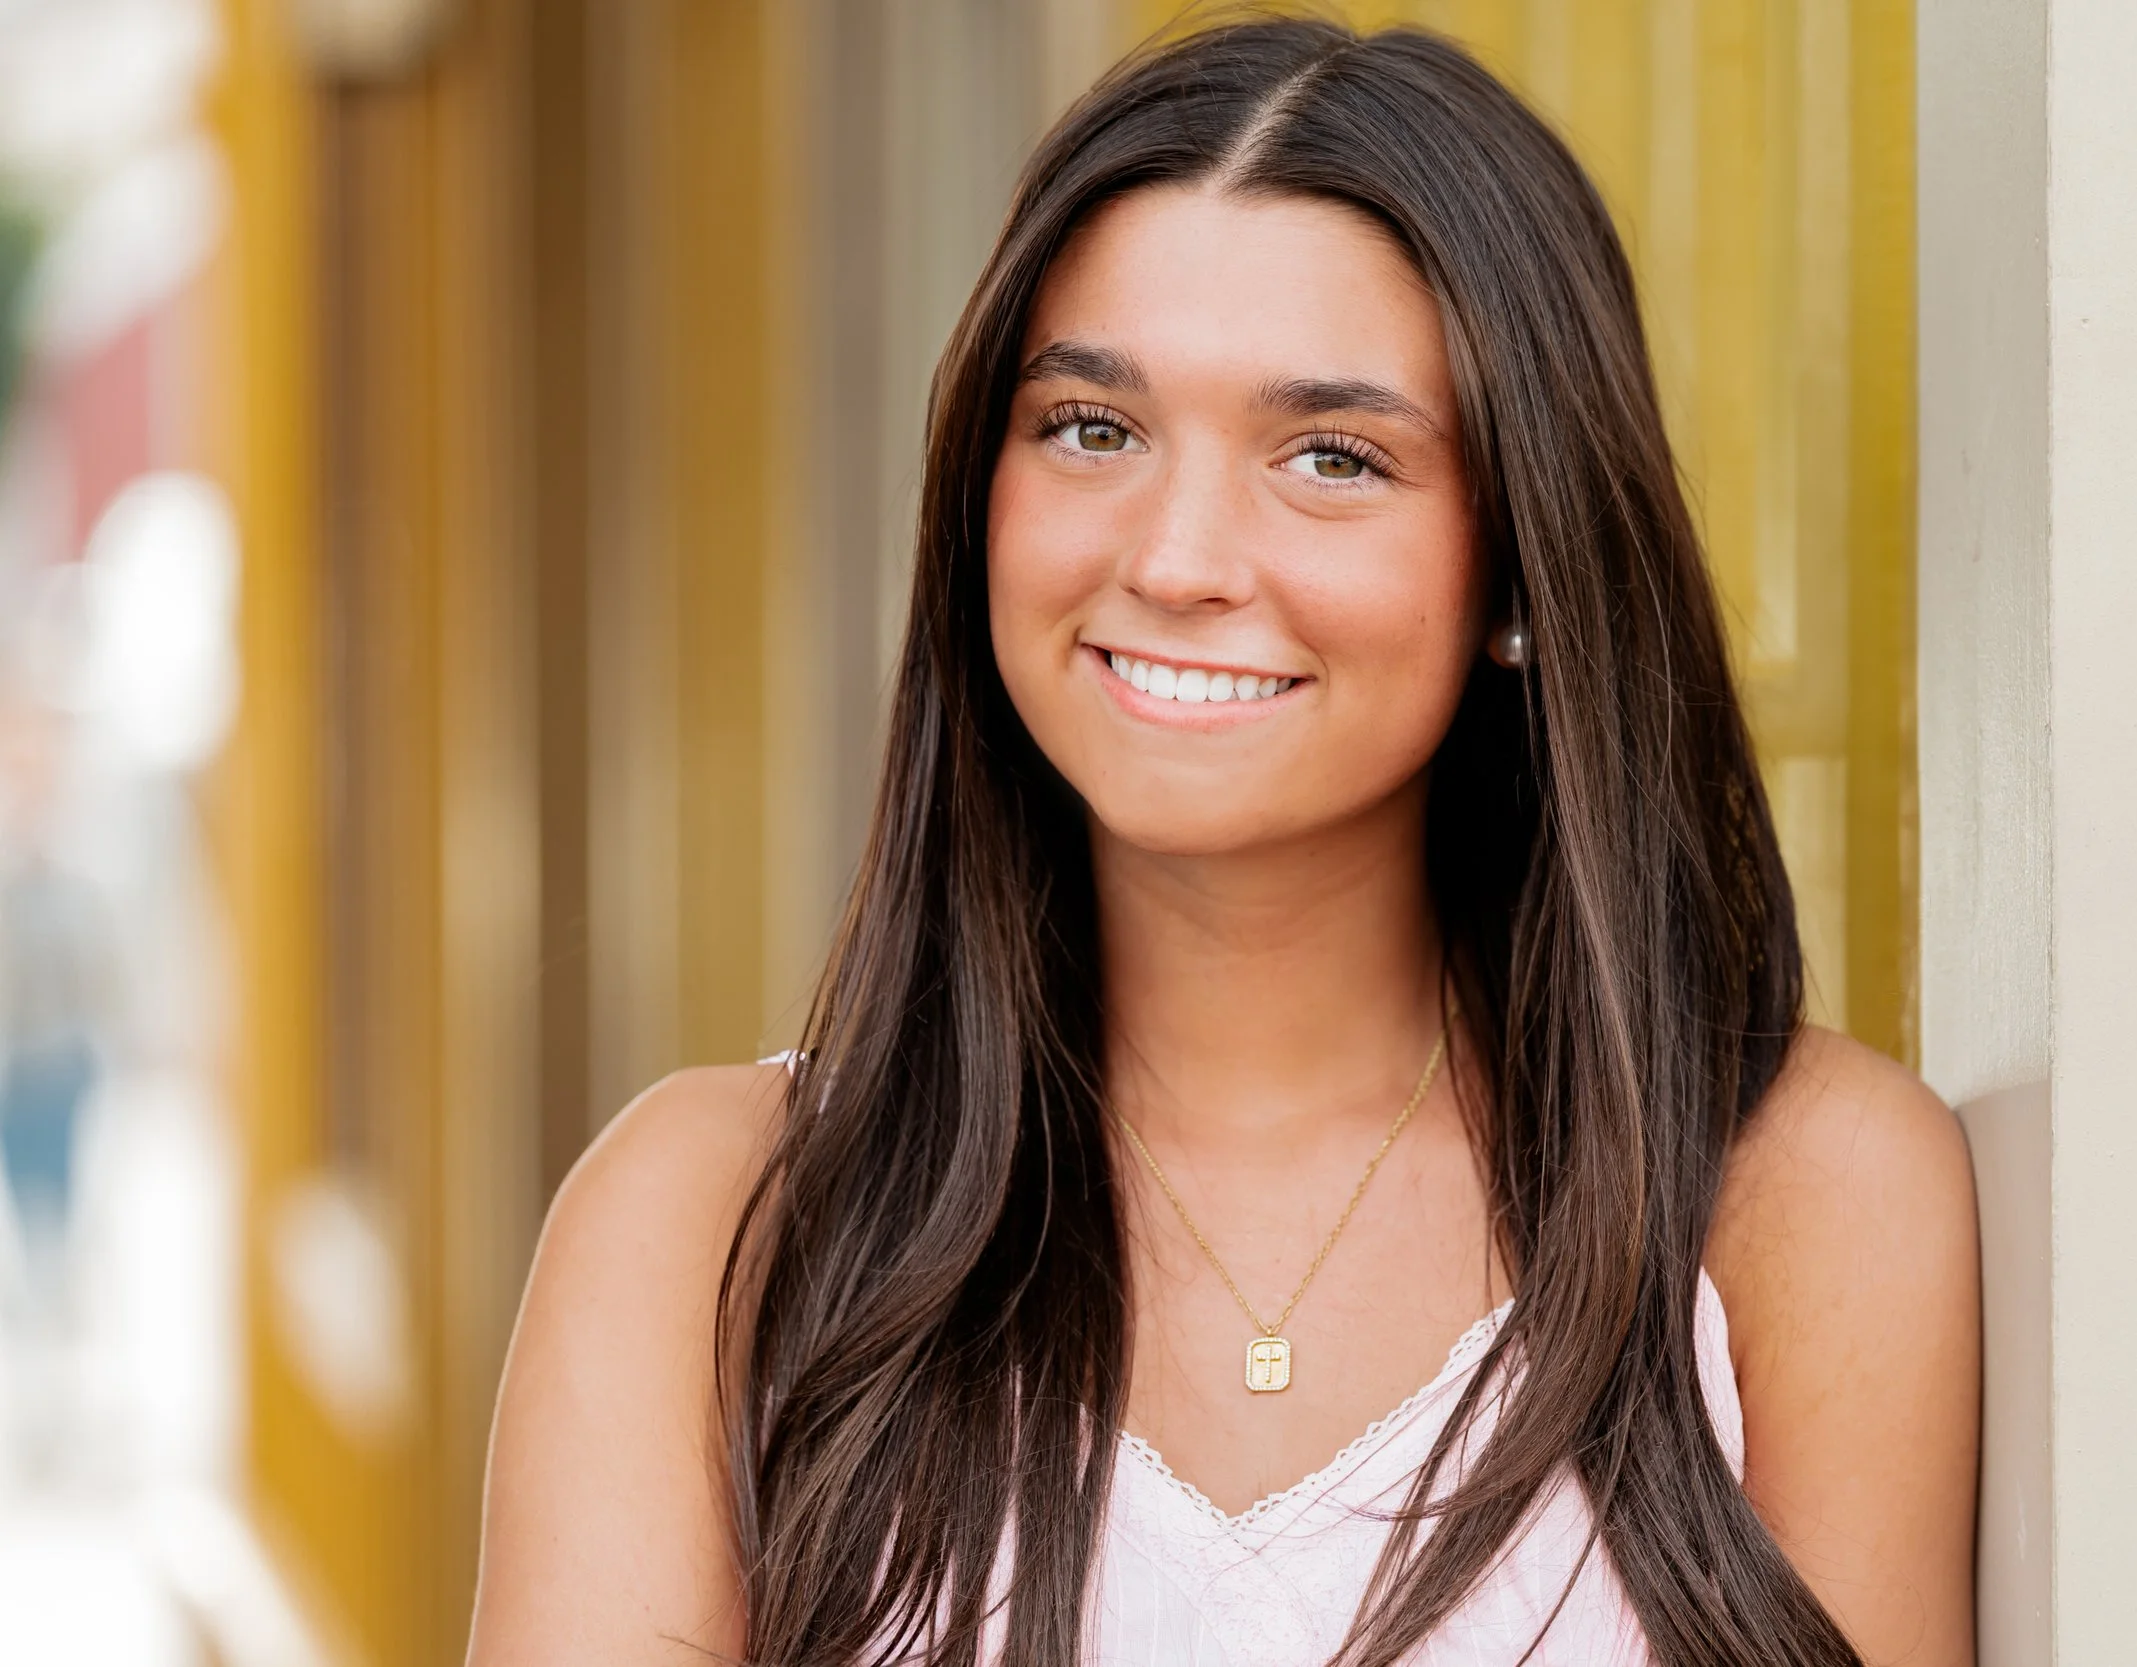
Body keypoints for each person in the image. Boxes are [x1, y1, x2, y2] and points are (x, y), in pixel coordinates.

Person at [468, 18, 1978, 1667]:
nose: (1180, 556)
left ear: (1524, 571)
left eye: (1333, 457)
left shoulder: (1794, 1208)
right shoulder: (709, 1228)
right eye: (1092, 429)